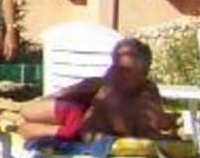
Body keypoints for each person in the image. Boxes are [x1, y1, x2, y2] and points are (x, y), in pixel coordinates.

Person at [18, 36, 177, 149]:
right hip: (74, 110)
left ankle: (26, 125)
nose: (118, 74)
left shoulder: (147, 93)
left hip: (78, 125)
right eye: (115, 67)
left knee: (57, 128)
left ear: (144, 72)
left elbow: (149, 128)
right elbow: (89, 127)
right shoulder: (107, 88)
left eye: (126, 70)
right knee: (27, 112)